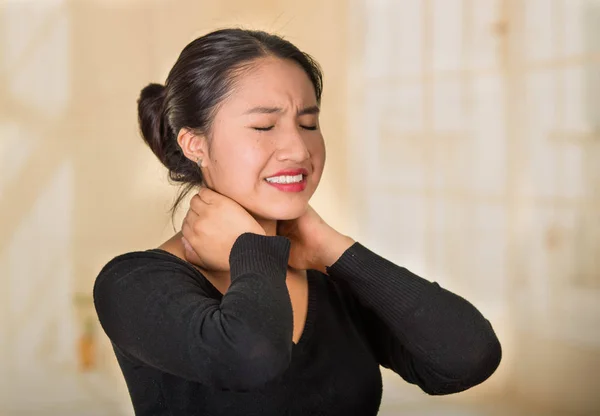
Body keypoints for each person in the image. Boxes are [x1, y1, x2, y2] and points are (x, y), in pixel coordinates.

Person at [93, 28, 502, 416]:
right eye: (264, 126)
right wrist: (250, 250)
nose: (297, 148)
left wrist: (335, 249)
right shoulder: (134, 284)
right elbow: (250, 357)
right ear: (194, 143)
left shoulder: (327, 278)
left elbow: (468, 357)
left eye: (308, 124)